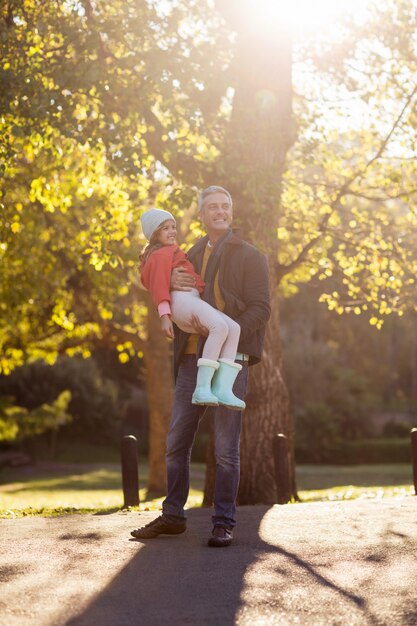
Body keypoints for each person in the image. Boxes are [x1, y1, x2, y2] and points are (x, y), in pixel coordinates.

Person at [131, 186, 270, 547]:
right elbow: (164, 286)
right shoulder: (186, 252)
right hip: (191, 358)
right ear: (202, 214)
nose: (219, 211)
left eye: (225, 205)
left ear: (231, 212)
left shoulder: (251, 256)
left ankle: (223, 521)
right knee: (176, 441)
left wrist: (228, 333)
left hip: (229, 358)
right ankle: (173, 516)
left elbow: (262, 308)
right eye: (212, 207)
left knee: (226, 448)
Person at [139, 208, 244, 410]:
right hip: (181, 300)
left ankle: (223, 389)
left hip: (191, 299)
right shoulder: (161, 255)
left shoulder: (172, 251)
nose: (171, 231)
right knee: (219, 328)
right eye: (165, 228)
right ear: (155, 235)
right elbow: (159, 286)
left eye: (173, 227)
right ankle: (202, 388)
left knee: (234, 328)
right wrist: (165, 316)